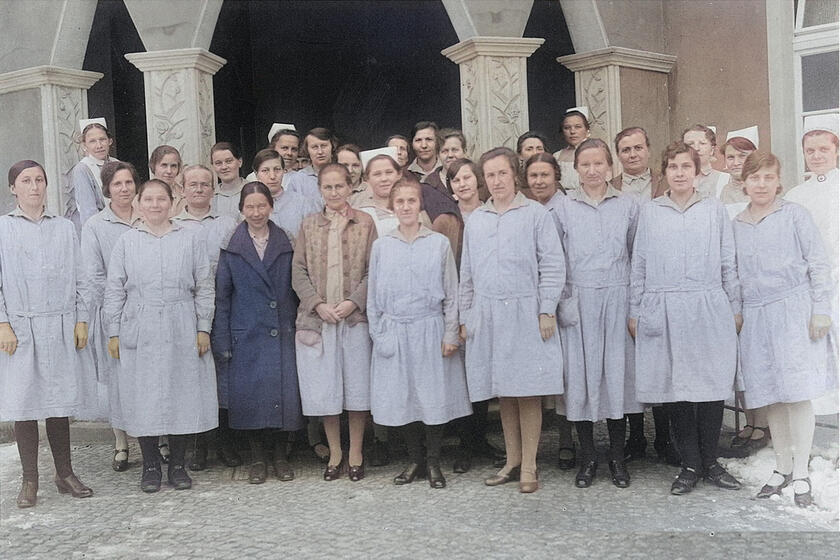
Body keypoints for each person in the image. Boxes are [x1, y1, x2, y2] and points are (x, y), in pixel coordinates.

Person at [629, 141, 742, 495]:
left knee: (708, 387)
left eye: (686, 167)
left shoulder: (713, 210)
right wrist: (636, 310)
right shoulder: (650, 212)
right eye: (673, 167)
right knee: (676, 388)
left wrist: (734, 306)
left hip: (707, 305)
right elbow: (640, 264)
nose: (680, 173)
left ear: (696, 171)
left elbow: (728, 261)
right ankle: (689, 464)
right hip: (663, 308)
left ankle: (711, 462)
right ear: (665, 172)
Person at [460, 147, 565, 493]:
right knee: (504, 392)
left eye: (502, 173)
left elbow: (552, 265)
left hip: (527, 313)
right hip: (489, 315)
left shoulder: (535, 214)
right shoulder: (477, 219)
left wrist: (546, 309)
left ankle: (531, 465)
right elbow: (468, 275)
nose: (496, 181)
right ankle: (512, 459)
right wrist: (466, 316)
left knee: (527, 391)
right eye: (490, 175)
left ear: (515, 175)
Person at [733, 151, 834, 508]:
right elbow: (732, 275)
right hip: (756, 316)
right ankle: (782, 466)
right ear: (743, 182)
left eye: (768, 177)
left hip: (794, 310)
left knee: (796, 391)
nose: (761, 184)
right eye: (755, 177)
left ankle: (802, 471)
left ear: (779, 181)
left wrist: (820, 310)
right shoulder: (737, 224)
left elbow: (818, 265)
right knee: (771, 392)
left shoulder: (794, 215)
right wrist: (737, 312)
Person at [104, 179, 217, 493]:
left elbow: (204, 287)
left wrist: (202, 327)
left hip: (181, 321)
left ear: (172, 202)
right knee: (144, 396)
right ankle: (151, 464)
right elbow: (114, 290)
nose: (155, 205)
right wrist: (112, 331)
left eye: (161, 199)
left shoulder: (190, 239)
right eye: (149, 199)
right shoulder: (127, 242)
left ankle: (178, 464)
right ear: (139, 203)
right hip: (139, 325)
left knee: (181, 393)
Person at [548, 139, 641, 488]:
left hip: (617, 299)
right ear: (576, 169)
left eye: (598, 163)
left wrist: (634, 305)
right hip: (579, 303)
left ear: (610, 166)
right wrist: (562, 304)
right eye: (585, 164)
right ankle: (587, 458)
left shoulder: (629, 207)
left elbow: (636, 256)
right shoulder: (562, 209)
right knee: (582, 382)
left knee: (616, 379)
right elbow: (555, 261)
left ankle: (617, 458)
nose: (592, 170)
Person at [1, 160, 94, 508]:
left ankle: (64, 472)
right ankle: (29, 479)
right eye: (26, 180)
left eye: (40, 179)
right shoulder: (3, 229)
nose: (34, 186)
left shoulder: (64, 229)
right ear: (14, 188)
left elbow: (81, 277)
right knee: (23, 403)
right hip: (20, 329)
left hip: (59, 324)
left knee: (58, 402)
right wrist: (2, 324)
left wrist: (81, 319)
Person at [368, 177, 472, 488]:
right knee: (406, 397)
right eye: (399, 202)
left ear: (420, 204)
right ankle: (414, 460)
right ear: (393, 206)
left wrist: (450, 333)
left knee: (432, 397)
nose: (406, 207)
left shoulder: (437, 243)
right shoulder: (382, 246)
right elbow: (373, 297)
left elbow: (452, 292)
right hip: (396, 330)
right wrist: (379, 334)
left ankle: (434, 462)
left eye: (411, 201)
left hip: (430, 328)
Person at [213, 182, 305, 484]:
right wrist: (222, 338)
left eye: (261, 206)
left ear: (271, 207)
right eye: (250, 207)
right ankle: (258, 459)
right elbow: (222, 296)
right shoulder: (231, 246)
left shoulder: (286, 242)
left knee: (282, 397)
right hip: (247, 333)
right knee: (251, 398)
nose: (256, 212)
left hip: (282, 329)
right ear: (241, 209)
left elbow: (296, 289)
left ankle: (280, 457)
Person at [292, 163, 378, 482]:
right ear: (320, 190)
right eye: (327, 187)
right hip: (319, 319)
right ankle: (335, 452)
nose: (333, 192)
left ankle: (355, 451)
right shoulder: (308, 225)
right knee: (326, 390)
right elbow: (297, 271)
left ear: (350, 186)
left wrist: (351, 302)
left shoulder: (365, 223)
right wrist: (318, 304)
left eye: (339, 186)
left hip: (353, 317)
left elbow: (373, 270)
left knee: (356, 388)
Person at [172, 165, 238, 471]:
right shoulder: (172, 225)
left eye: (204, 184)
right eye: (192, 184)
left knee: (221, 376)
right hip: (185, 310)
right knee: (192, 375)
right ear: (182, 189)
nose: (199, 189)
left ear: (213, 189)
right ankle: (197, 445)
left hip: (223, 307)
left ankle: (223, 442)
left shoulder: (228, 223)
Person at [81, 161, 142, 473]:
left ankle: (157, 438)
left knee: (146, 377)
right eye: (117, 184)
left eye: (129, 183)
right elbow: (93, 277)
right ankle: (121, 442)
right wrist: (115, 307)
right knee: (118, 379)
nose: (124, 189)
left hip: (147, 313)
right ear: (107, 189)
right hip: (114, 314)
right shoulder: (95, 226)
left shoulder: (147, 215)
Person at [521, 153, 576, 470]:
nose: (539, 181)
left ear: (556, 176)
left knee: (565, 377)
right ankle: (536, 448)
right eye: (533, 176)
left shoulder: (567, 208)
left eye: (545, 175)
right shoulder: (524, 210)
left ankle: (568, 441)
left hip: (563, 298)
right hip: (532, 302)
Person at [785, 114, 839, 419]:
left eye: (823, 149)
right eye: (810, 151)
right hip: (810, 288)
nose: (817, 156)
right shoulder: (796, 196)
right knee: (817, 355)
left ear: (836, 151)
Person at [253, 149, 321, 241]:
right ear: (256, 174)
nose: (272, 176)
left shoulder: (302, 203)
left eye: (277, 169)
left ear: (284, 171)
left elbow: (316, 238)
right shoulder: (250, 206)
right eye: (265, 170)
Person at [65, 118, 118, 234]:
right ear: (84, 145)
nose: (99, 145)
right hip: (98, 229)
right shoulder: (82, 169)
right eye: (92, 141)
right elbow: (88, 211)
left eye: (102, 139)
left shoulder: (117, 164)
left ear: (110, 141)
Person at [286, 127, 337, 202]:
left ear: (332, 146)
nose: (320, 152)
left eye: (323, 146)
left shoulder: (343, 174)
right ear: (307, 150)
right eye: (314, 147)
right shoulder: (297, 180)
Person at [612, 127, 663, 199]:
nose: (633, 155)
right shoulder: (609, 188)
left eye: (638, 148)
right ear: (618, 155)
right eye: (626, 150)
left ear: (648, 151)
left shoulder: (666, 182)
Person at [718, 127, 757, 218]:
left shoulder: (766, 187)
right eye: (730, 157)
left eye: (742, 156)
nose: (736, 163)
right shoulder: (723, 190)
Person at [683, 124, 728, 198]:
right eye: (690, 144)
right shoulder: (677, 179)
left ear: (712, 150)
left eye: (702, 143)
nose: (696, 148)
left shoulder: (725, 179)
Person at [553, 107, 591, 192]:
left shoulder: (594, 153)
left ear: (586, 129)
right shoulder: (556, 156)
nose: (572, 131)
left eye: (578, 127)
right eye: (567, 128)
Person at [211, 141, 246, 220]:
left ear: (240, 162)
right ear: (213, 166)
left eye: (229, 161)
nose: (224, 167)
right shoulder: (209, 197)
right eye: (218, 163)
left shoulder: (254, 191)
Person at [149, 145, 186, 217]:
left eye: (173, 166)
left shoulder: (185, 193)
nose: (169, 171)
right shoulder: (142, 196)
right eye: (164, 165)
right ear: (153, 166)